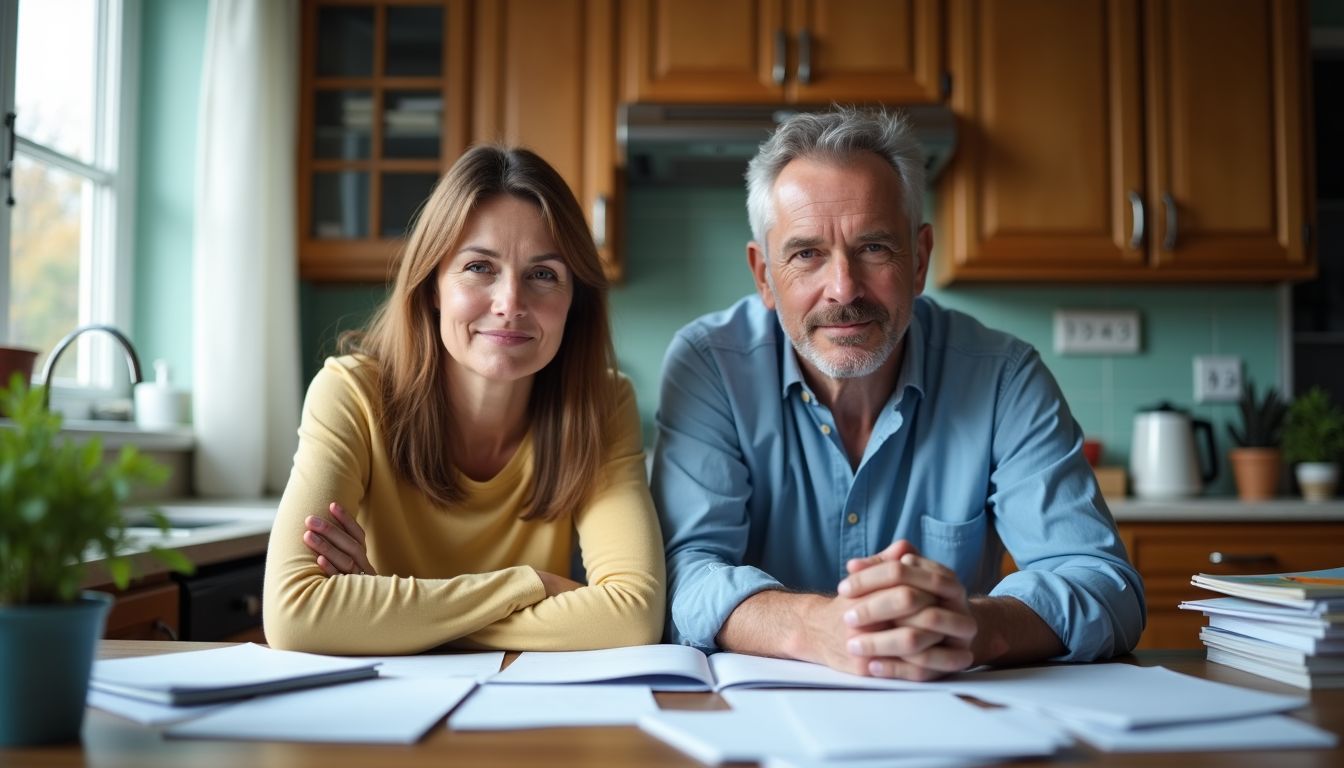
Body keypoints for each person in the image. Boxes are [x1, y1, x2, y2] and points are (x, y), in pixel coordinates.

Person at [652, 107, 1145, 681]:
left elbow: (1104, 584)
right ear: (763, 275)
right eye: (807, 253)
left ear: (920, 260)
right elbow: (682, 574)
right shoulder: (711, 366)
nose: (843, 289)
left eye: (874, 248)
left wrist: (972, 626)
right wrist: (815, 626)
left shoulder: (1003, 375)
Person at [263, 145, 665, 655]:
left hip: (523, 709)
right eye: (479, 267)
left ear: (573, 300)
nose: (511, 304)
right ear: (432, 284)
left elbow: (632, 619)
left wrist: (383, 615)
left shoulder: (602, 403)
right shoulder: (351, 394)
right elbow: (295, 617)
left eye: (543, 274)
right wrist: (529, 587)